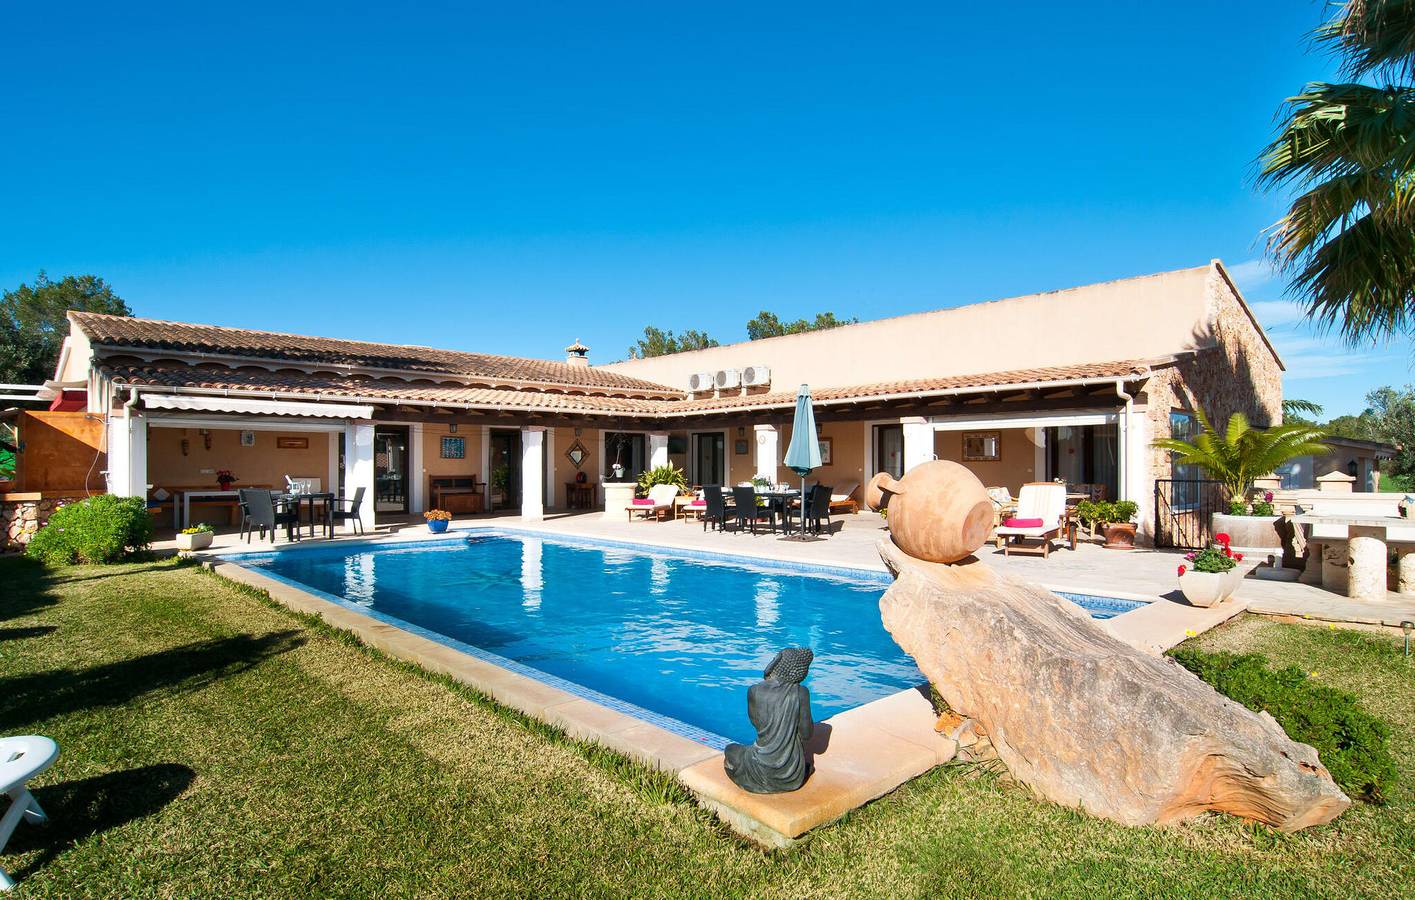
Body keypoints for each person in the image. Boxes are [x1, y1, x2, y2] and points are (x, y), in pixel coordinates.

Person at [723, 647, 814, 793]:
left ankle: (760, 780)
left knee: (730, 750)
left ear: (777, 663)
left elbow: (756, 724)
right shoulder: (801, 692)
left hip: (759, 759)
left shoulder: (754, 690)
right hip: (791, 771)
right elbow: (806, 734)